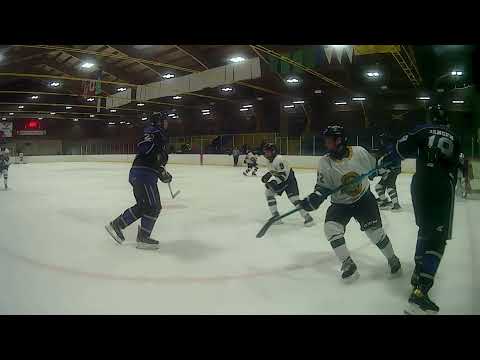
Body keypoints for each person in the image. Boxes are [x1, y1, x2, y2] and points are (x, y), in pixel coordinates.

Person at [380, 104, 462, 314]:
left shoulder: (422, 130)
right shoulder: (455, 135)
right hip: (442, 186)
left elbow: (399, 148)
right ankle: (421, 294)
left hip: (420, 184)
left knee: (425, 229)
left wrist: (386, 160)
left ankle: (418, 273)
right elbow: (457, 166)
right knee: (438, 237)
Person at [299, 125, 401, 282]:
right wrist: (314, 199)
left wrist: (386, 165)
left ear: (339, 140)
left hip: (364, 200)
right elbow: (322, 187)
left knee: (375, 234)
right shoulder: (325, 162)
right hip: (340, 204)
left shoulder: (359, 152)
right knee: (331, 229)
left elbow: (375, 169)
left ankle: (392, 258)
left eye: (329, 141)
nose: (326, 144)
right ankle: (348, 264)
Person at [105, 114, 173, 250]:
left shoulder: (159, 135)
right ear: (158, 122)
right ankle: (126, 230)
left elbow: (154, 159)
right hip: (143, 174)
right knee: (152, 206)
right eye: (164, 121)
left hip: (144, 174)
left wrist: (162, 173)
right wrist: (158, 156)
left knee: (145, 206)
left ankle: (126, 229)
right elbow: (145, 148)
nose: (167, 124)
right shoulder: (153, 132)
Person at [262, 143, 314, 227]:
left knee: (294, 199)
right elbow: (276, 171)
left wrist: (273, 183)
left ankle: (308, 217)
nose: (266, 154)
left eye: (268, 152)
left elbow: (284, 176)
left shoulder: (279, 159)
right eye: (265, 152)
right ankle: (276, 216)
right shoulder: (269, 161)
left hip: (289, 180)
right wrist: (269, 175)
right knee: (268, 193)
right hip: (282, 181)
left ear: (273, 151)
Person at [374, 133, 402, 211]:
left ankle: (396, 205)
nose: (381, 141)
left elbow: (395, 160)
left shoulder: (390, 147)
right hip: (388, 170)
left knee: (390, 187)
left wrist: (389, 169)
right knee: (378, 187)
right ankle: (384, 202)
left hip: (392, 170)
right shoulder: (387, 147)